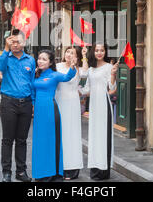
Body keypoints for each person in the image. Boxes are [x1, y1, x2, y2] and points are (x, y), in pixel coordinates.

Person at [32, 49, 77, 182]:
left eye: (44, 59)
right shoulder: (36, 75)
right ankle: (41, 173)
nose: (40, 61)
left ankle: (54, 174)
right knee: (40, 142)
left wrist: (73, 66)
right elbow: (32, 91)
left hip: (51, 111)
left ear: (51, 62)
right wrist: (33, 105)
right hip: (39, 113)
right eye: (39, 58)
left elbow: (68, 77)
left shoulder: (54, 75)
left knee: (52, 141)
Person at [0, 31, 35, 182]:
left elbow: (32, 83)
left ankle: (21, 171)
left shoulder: (30, 60)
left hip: (25, 103)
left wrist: (32, 102)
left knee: (22, 139)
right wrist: (6, 49)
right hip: (8, 102)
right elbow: (0, 66)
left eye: (18, 42)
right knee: (7, 139)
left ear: (24, 43)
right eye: (12, 42)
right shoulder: (6, 58)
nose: (15, 44)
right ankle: (6, 172)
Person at [81, 42, 118, 180]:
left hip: (104, 104)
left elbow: (112, 87)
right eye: (96, 50)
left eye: (102, 50)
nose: (99, 53)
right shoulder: (90, 69)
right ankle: (95, 168)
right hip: (94, 106)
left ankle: (104, 170)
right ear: (93, 52)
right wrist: (78, 91)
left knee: (104, 137)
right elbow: (86, 89)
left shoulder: (109, 67)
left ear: (105, 52)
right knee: (94, 137)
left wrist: (113, 74)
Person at [55, 46, 88, 180]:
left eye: (73, 53)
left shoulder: (79, 69)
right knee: (59, 134)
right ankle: (58, 167)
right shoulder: (57, 66)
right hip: (58, 101)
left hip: (72, 103)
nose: (69, 55)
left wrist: (84, 56)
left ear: (77, 57)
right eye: (68, 52)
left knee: (72, 135)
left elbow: (86, 74)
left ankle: (72, 168)